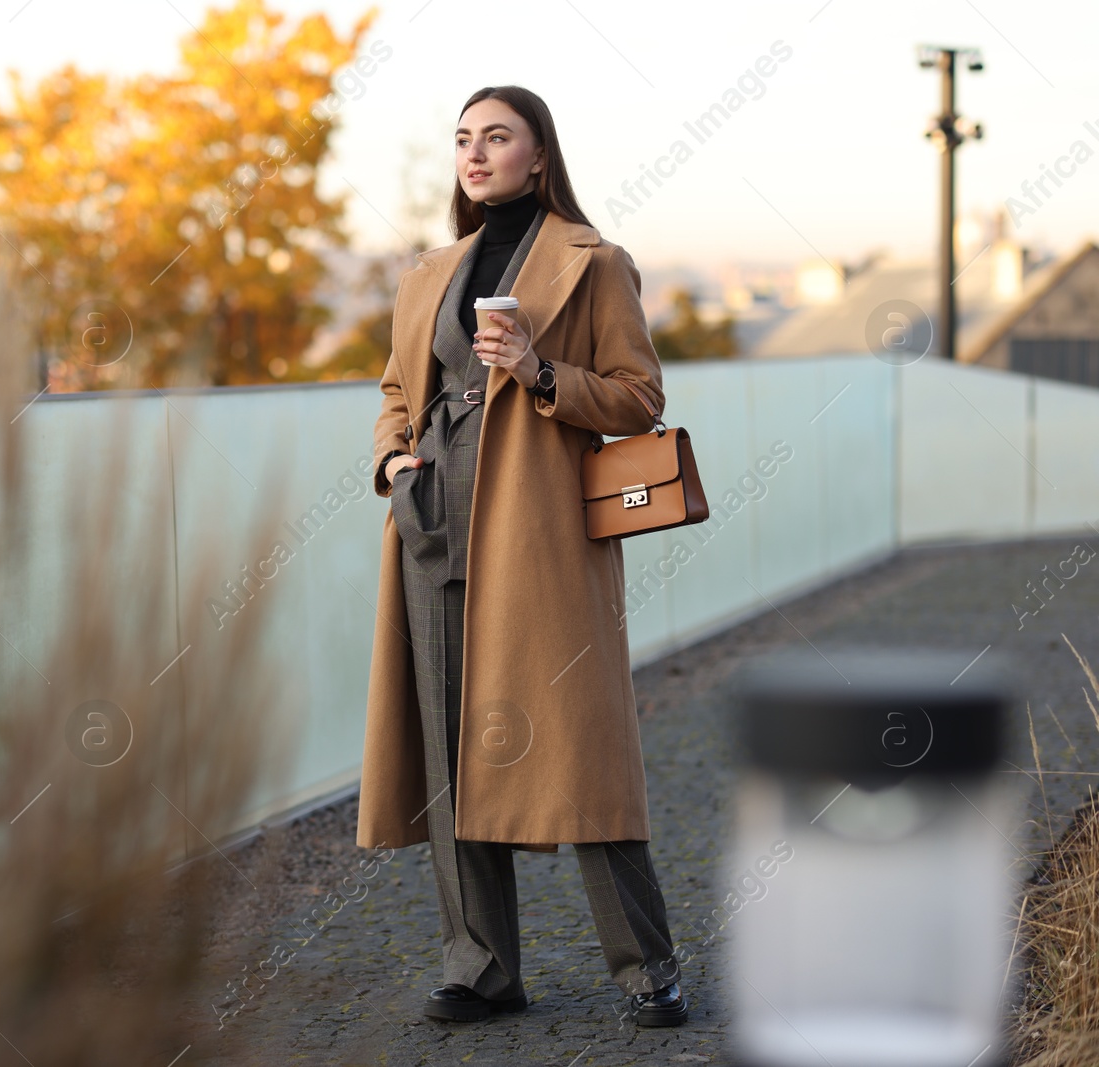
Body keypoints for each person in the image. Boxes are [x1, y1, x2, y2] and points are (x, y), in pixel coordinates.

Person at [354, 84, 688, 1028]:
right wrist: (391, 456)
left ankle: (648, 969)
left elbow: (638, 397)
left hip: (538, 537)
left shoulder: (595, 262)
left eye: (497, 136)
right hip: (431, 528)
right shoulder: (431, 270)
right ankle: (483, 966)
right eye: (463, 138)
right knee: (450, 752)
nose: (475, 152)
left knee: (583, 752)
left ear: (539, 155)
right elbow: (392, 387)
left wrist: (541, 371)